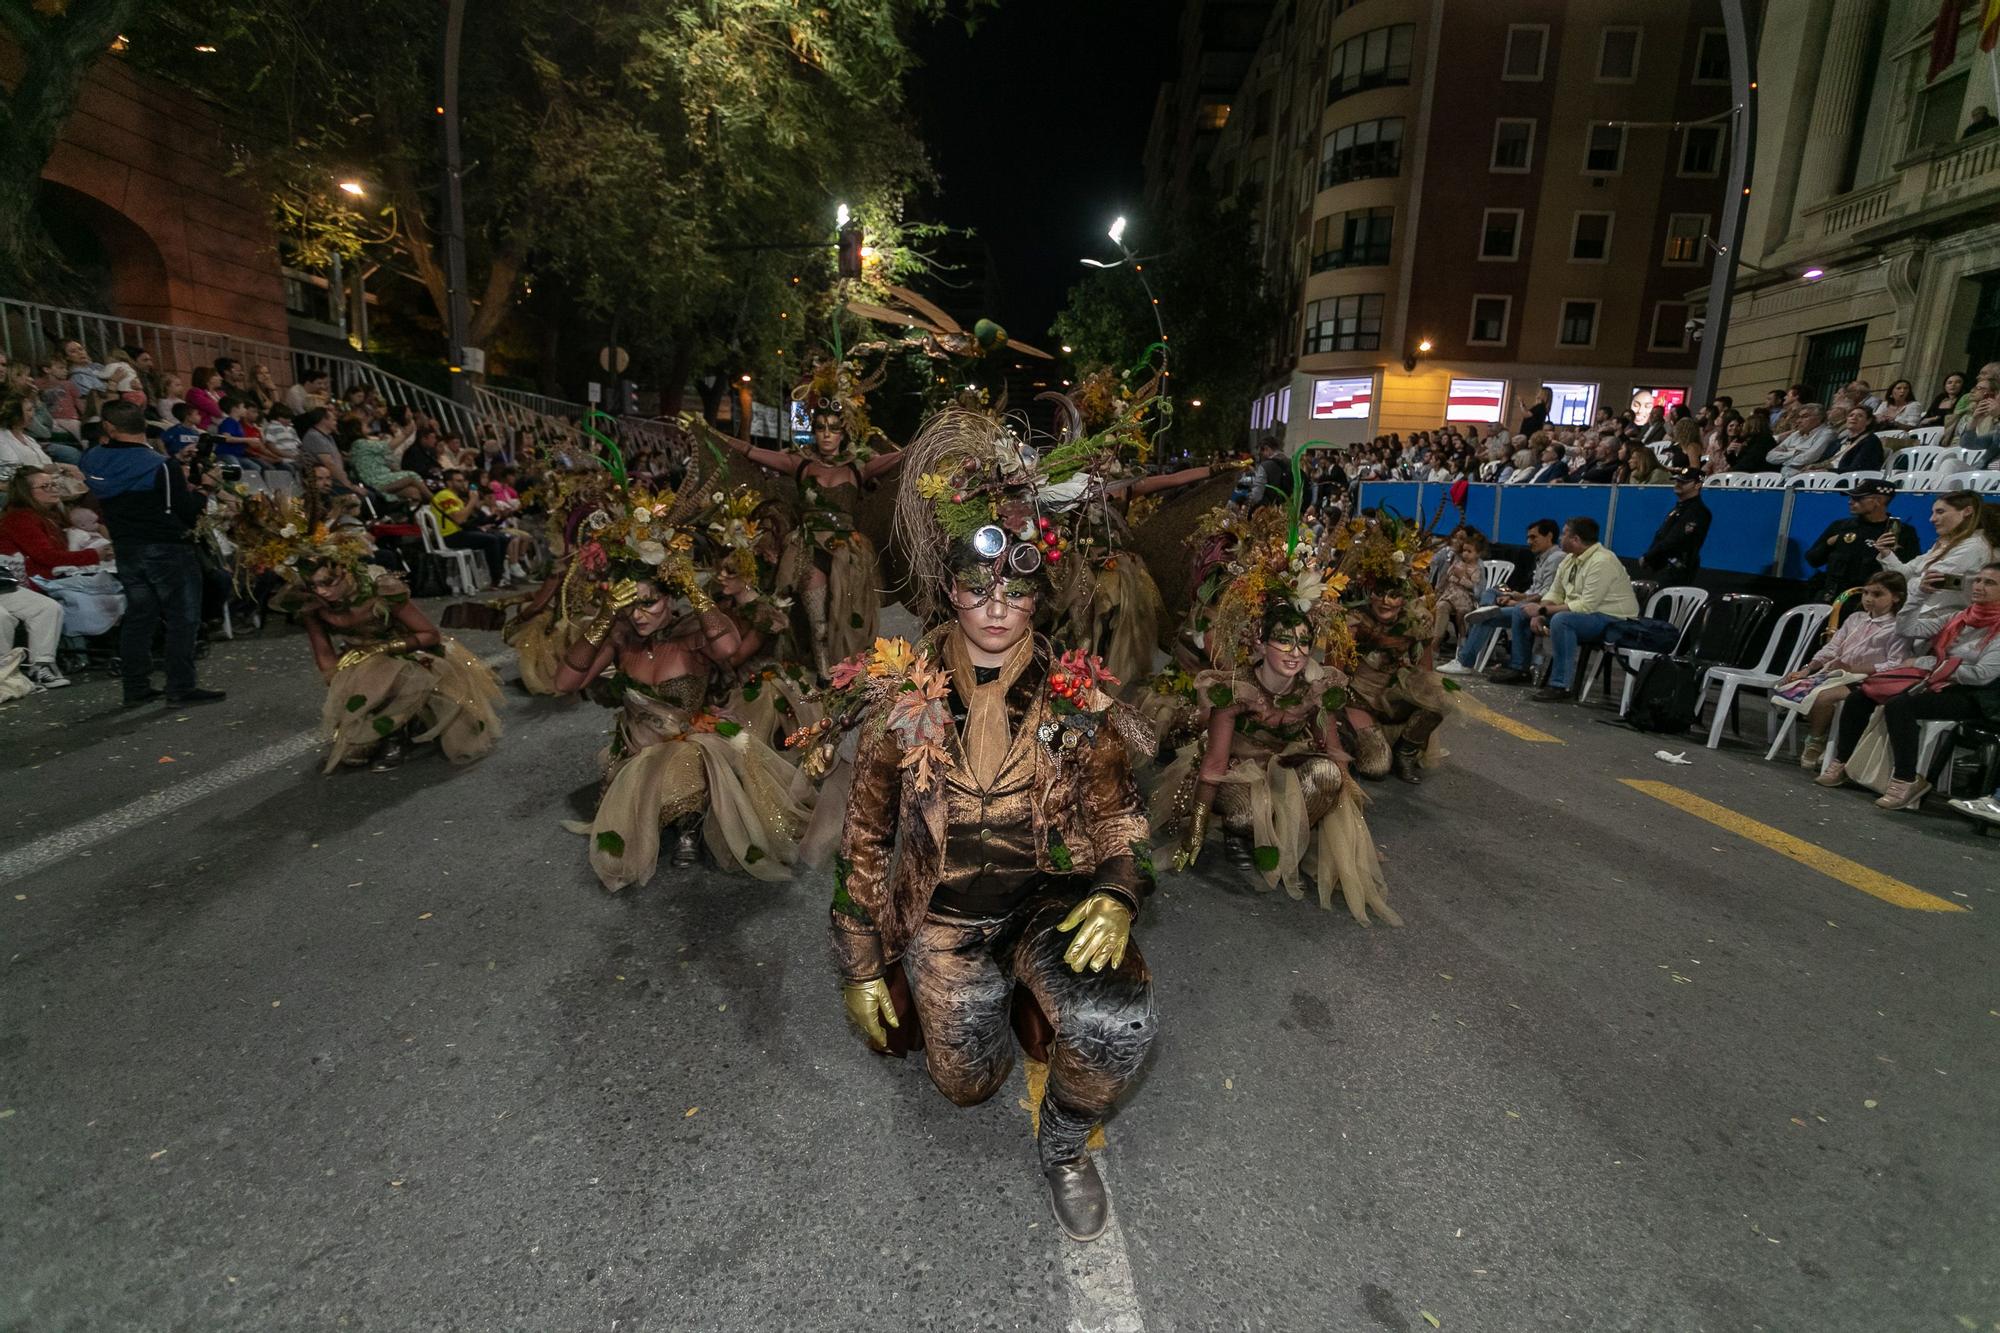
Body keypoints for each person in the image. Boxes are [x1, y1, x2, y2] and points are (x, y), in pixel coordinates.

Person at [799, 406, 1155, 1245]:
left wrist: (1115, 893)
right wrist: (858, 967)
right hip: (947, 918)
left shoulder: (1077, 698)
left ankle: (1065, 1146)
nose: (996, 607)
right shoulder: (900, 699)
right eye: (979, 588)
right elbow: (863, 843)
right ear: (952, 589)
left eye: (1016, 590)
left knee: (1119, 1020)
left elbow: (1119, 817)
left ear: (1036, 596)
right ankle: (1011, 1019)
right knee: (963, 1084)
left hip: (1046, 903)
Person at [554, 475, 812, 886]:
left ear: (669, 598)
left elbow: (729, 651)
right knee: (635, 767)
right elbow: (565, 682)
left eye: (649, 602)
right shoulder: (620, 635)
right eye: (630, 605)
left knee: (688, 756)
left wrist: (692, 588)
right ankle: (664, 814)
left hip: (689, 743)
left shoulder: (692, 633)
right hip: (636, 748)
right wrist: (605, 616)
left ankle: (688, 824)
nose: (639, 614)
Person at [1151, 569, 1394, 921]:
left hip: (1289, 771)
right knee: (1247, 814)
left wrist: (1352, 824)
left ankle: (1281, 840)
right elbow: (1215, 765)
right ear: (1260, 644)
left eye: (1303, 642)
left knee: (1328, 775)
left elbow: (1335, 752)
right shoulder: (1235, 689)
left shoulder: (1316, 687)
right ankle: (1241, 834)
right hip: (1237, 775)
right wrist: (1196, 831)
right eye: (1283, 641)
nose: (1295, 652)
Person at [713, 369, 903, 678]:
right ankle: (827, 676)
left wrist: (934, 434)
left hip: (849, 553)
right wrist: (715, 435)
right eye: (821, 428)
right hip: (806, 548)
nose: (827, 434)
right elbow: (751, 451)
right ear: (813, 432)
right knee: (819, 624)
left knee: (847, 620)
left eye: (833, 429)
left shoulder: (858, 468)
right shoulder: (799, 464)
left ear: (843, 433)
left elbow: (900, 456)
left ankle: (850, 673)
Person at [1819, 562, 2000, 810]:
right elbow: (1906, 628)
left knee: (1900, 705)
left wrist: (1933, 665)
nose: (1979, 586)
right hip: (1935, 682)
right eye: (1978, 580)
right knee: (1861, 696)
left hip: (1975, 696)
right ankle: (1843, 762)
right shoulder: (1960, 617)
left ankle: (1906, 780)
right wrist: (1920, 594)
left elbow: (1982, 675)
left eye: (1989, 583)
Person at [81, 401, 225, 706]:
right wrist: (204, 490)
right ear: (144, 426)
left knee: (139, 618)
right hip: (167, 548)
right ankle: (180, 687)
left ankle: (135, 686)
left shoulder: (92, 460)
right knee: (182, 619)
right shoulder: (160, 465)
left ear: (109, 427)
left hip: (127, 549)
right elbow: (184, 513)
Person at [1489, 517, 1639, 699]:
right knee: (1523, 611)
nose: (1560, 538)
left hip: (1612, 619)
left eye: (1564, 534)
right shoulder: (1569, 560)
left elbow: (1586, 606)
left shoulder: (1602, 561)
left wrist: (1543, 611)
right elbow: (1554, 594)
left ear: (1575, 539)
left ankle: (1560, 685)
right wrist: (1539, 612)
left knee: (1562, 620)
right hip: (1585, 614)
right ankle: (1519, 669)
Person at [1777, 571, 1912, 768]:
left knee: (1822, 696)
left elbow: (1895, 663)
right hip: (1838, 673)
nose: (1868, 599)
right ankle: (1823, 732)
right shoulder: (1855, 619)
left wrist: (1855, 668)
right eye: (1866, 593)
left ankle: (1816, 739)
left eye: (1877, 594)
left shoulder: (1897, 628)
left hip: (1868, 680)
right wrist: (1808, 669)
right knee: (1794, 685)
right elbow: (1832, 648)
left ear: (1896, 597)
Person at [1441, 518, 1564, 676]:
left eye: (1534, 537)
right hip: (1526, 600)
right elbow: (1533, 589)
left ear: (1549, 536)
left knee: (1485, 617)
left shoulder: (1557, 558)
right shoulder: (1543, 557)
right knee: (1494, 590)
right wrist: (1514, 595)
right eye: (1528, 537)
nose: (1529, 541)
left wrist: (1515, 602)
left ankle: (1465, 661)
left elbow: (1546, 594)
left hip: (1537, 608)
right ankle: (1486, 608)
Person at [1874, 490, 1999, 615]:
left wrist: (1907, 583)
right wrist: (1886, 553)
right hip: (1918, 617)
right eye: (1933, 513)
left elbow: (1929, 584)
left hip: (1941, 621)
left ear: (1967, 511)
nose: (1932, 519)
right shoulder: (1943, 544)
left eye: (1940, 512)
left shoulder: (1973, 548)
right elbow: (1905, 575)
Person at [1805, 478, 1919, 602]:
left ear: (1878, 501)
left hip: (1871, 602)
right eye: (1851, 498)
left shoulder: (1900, 532)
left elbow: (1908, 572)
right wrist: (1829, 543)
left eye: (1858, 499)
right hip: (1833, 598)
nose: (1850, 502)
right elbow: (1813, 560)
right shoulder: (1841, 526)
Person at [1639, 468, 1712, 585]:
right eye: (1677, 481)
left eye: (1684, 482)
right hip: (1662, 565)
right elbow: (1662, 535)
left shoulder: (1697, 511)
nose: (1678, 484)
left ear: (1697, 485)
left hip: (1676, 567)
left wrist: (1649, 556)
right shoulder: (1680, 508)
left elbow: (1675, 539)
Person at [1767, 403, 1835, 477]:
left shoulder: (1827, 433)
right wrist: (1794, 452)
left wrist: (1784, 456)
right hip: (1784, 475)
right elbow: (1770, 457)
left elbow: (1809, 457)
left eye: (1805, 417)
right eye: (1799, 417)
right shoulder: (1796, 434)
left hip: (1803, 477)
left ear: (1820, 418)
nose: (1798, 421)